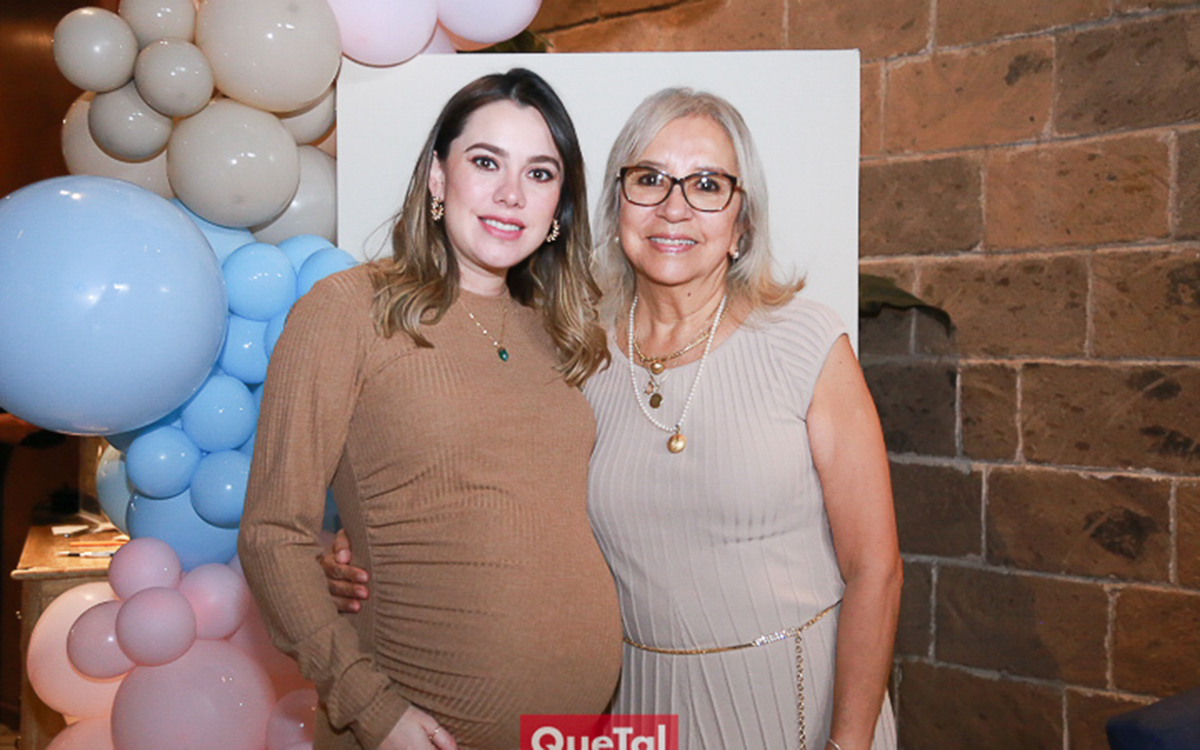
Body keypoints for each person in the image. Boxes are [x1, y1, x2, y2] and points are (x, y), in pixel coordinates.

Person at [326, 86, 901, 750]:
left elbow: (876, 568)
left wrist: (847, 743)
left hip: (796, 703)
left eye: (707, 185)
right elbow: (484, 492)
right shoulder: (571, 352)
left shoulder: (805, 342)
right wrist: (354, 547)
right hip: (635, 710)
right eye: (649, 179)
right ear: (616, 203)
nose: (673, 207)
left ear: (742, 223)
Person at [239, 68, 622, 750]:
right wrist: (372, 710)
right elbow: (272, 533)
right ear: (438, 179)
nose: (511, 194)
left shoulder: (561, 334)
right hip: (416, 731)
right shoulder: (348, 309)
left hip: (573, 732)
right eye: (486, 162)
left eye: (539, 173)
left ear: (560, 207)